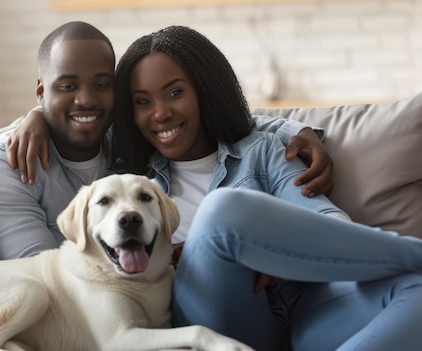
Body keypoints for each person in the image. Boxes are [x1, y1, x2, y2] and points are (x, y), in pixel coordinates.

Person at [109, 25, 422, 351]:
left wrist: (271, 249)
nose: (160, 113)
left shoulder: (261, 150)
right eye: (143, 101)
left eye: (175, 93)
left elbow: (331, 226)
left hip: (304, 311)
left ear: (205, 89)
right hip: (214, 324)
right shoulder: (127, 183)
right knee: (221, 209)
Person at [0, 20, 331, 262]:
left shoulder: (125, 141)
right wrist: (36, 117)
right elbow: (47, 280)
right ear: (41, 91)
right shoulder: (2, 166)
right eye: (66, 87)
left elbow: (226, 123)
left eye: (101, 84)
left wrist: (299, 133)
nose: (86, 100)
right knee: (222, 217)